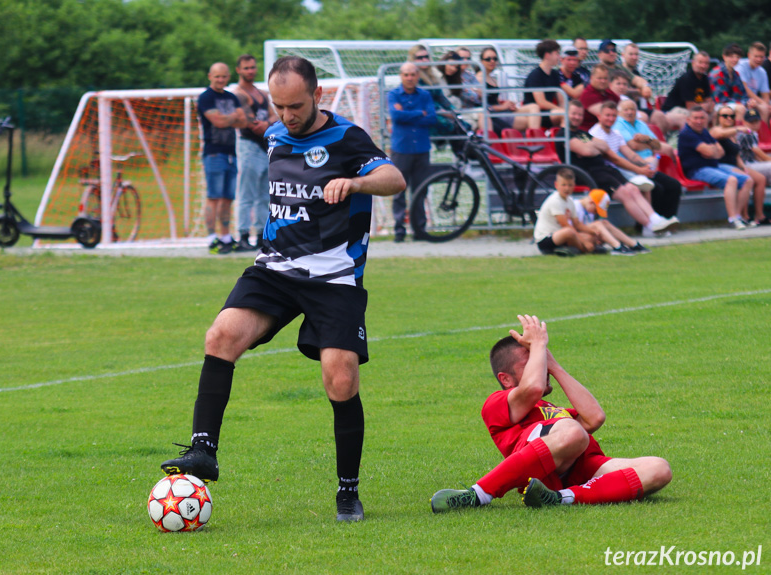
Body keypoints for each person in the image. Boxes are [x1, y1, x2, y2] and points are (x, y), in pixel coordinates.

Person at [160, 56, 406, 523]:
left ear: (317, 95)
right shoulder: (274, 134)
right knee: (221, 336)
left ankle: (347, 492)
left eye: (296, 105)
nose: (287, 115)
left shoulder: (347, 137)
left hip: (333, 277)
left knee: (341, 377)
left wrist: (355, 182)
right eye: (279, 105)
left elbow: (394, 178)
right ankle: (203, 451)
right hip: (274, 269)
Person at [430, 314, 672, 512]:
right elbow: (533, 388)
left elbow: (594, 417)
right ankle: (479, 494)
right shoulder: (496, 403)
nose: (541, 366)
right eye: (533, 362)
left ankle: (558, 498)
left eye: (541, 360)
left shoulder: (553, 410)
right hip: (540, 470)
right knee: (573, 432)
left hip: (579, 468)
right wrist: (537, 345)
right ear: (505, 379)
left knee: (659, 468)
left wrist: (553, 364)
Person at [555, 99, 679, 237]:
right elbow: (587, 151)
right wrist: (594, 147)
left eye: (579, 115)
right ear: (566, 114)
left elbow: (604, 147)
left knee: (633, 188)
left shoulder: (583, 133)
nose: (577, 117)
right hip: (587, 174)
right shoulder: (563, 134)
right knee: (625, 193)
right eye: (574, 114)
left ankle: (655, 220)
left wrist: (592, 146)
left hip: (604, 169)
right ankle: (651, 226)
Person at [198, 62, 247, 254]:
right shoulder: (206, 98)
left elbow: (243, 121)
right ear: (210, 76)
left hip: (231, 153)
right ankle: (212, 237)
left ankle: (226, 236)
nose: (220, 80)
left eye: (224, 76)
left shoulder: (231, 97)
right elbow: (217, 121)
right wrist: (233, 116)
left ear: (228, 77)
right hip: (213, 153)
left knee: (227, 197)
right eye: (217, 76)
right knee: (214, 197)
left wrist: (230, 117)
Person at [677, 105, 752, 229]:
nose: (699, 121)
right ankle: (732, 219)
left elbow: (720, 151)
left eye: (702, 118)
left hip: (713, 165)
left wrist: (711, 151)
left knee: (747, 180)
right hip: (696, 169)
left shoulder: (704, 132)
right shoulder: (687, 134)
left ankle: (738, 216)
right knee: (731, 180)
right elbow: (711, 152)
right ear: (688, 120)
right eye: (696, 118)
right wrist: (711, 151)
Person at [388, 63, 436, 242]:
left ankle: (419, 230)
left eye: (413, 74)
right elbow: (395, 116)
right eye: (406, 74)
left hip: (422, 149)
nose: (410, 78)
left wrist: (408, 114)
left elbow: (432, 118)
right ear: (401, 76)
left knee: (420, 191)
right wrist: (419, 113)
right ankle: (399, 230)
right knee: (398, 190)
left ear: (418, 76)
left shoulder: (425, 95)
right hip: (401, 149)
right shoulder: (393, 94)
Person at [234, 54, 277, 251]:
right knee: (246, 193)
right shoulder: (239, 94)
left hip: (264, 147)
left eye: (252, 67)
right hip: (249, 146)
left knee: (264, 194)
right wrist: (267, 123)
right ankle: (243, 235)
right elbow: (252, 123)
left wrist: (267, 123)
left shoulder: (261, 93)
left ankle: (261, 234)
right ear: (238, 70)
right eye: (246, 68)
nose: (250, 71)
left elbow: (273, 117)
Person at [613, 99, 681, 219]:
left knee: (674, 185)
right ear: (619, 112)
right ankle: (654, 222)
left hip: (650, 165)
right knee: (656, 188)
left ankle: (668, 220)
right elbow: (633, 146)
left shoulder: (641, 124)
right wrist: (650, 142)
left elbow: (658, 146)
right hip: (632, 168)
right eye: (626, 110)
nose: (629, 112)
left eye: (632, 109)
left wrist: (646, 139)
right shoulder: (618, 124)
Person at [709, 105, 766, 226]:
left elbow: (737, 155)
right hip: (721, 166)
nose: (729, 118)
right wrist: (739, 128)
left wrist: (744, 167)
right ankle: (738, 216)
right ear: (718, 117)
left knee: (760, 179)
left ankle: (758, 216)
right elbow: (718, 134)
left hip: (734, 165)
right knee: (746, 180)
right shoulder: (716, 130)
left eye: (732, 116)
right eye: (725, 116)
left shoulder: (733, 134)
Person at [532, 167, 599, 256]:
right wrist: (584, 242)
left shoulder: (570, 201)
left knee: (590, 236)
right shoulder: (555, 200)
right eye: (563, 185)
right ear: (556, 185)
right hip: (546, 239)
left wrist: (593, 232)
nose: (567, 188)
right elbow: (565, 225)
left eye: (570, 185)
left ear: (574, 185)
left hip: (561, 236)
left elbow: (577, 224)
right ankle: (585, 249)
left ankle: (572, 249)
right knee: (569, 232)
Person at [477, 46, 541, 134]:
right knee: (528, 121)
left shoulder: (492, 78)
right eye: (488, 59)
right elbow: (483, 106)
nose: (492, 61)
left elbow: (493, 100)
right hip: (493, 115)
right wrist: (503, 106)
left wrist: (508, 104)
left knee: (534, 107)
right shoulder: (480, 79)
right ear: (481, 61)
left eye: (495, 59)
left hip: (501, 110)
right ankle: (535, 142)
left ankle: (535, 143)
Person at [574, 189, 651, 254]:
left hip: (586, 235)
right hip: (577, 237)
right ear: (591, 203)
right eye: (596, 210)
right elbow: (573, 228)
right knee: (597, 224)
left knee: (604, 223)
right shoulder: (575, 207)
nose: (596, 213)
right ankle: (617, 246)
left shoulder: (588, 210)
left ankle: (633, 244)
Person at [662, 52, 714, 132]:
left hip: (694, 108)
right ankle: (701, 141)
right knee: (703, 116)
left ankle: (718, 139)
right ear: (693, 63)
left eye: (706, 63)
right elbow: (690, 106)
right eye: (700, 62)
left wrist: (708, 106)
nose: (703, 66)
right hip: (675, 109)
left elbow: (710, 101)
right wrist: (704, 107)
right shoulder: (687, 78)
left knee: (718, 114)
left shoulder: (704, 78)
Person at [736, 109, 771, 224]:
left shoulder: (753, 133)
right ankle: (759, 215)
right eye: (751, 122)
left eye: (757, 121)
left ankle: (760, 215)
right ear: (744, 122)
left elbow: (758, 157)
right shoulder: (746, 134)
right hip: (744, 165)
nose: (755, 124)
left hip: (752, 163)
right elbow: (759, 154)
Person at [523, 39, 565, 129]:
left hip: (550, 112)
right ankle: (562, 141)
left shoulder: (554, 74)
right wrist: (560, 110)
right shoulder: (535, 75)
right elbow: (541, 103)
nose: (559, 57)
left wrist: (564, 108)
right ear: (547, 55)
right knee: (564, 114)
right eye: (556, 54)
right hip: (538, 114)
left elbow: (561, 99)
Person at [709, 44, 752, 123]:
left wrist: (748, 102)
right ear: (724, 57)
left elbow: (742, 93)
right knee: (741, 108)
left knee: (759, 107)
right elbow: (721, 98)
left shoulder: (735, 74)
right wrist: (743, 103)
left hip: (731, 103)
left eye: (737, 57)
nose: (735, 59)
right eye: (731, 57)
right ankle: (739, 134)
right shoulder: (717, 73)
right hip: (717, 104)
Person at [735, 42, 771, 122]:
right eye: (756, 56)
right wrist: (763, 103)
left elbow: (765, 95)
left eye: (761, 57)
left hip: (754, 101)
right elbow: (745, 89)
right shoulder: (741, 67)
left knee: (765, 108)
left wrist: (765, 104)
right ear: (749, 55)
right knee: (764, 107)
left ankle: (762, 133)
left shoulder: (762, 72)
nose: (759, 59)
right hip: (740, 99)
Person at [579, 64, 620, 131]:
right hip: (590, 132)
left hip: (609, 130)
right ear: (592, 78)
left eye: (605, 78)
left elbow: (621, 105)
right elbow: (606, 115)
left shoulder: (609, 92)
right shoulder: (587, 94)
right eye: (599, 78)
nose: (603, 81)